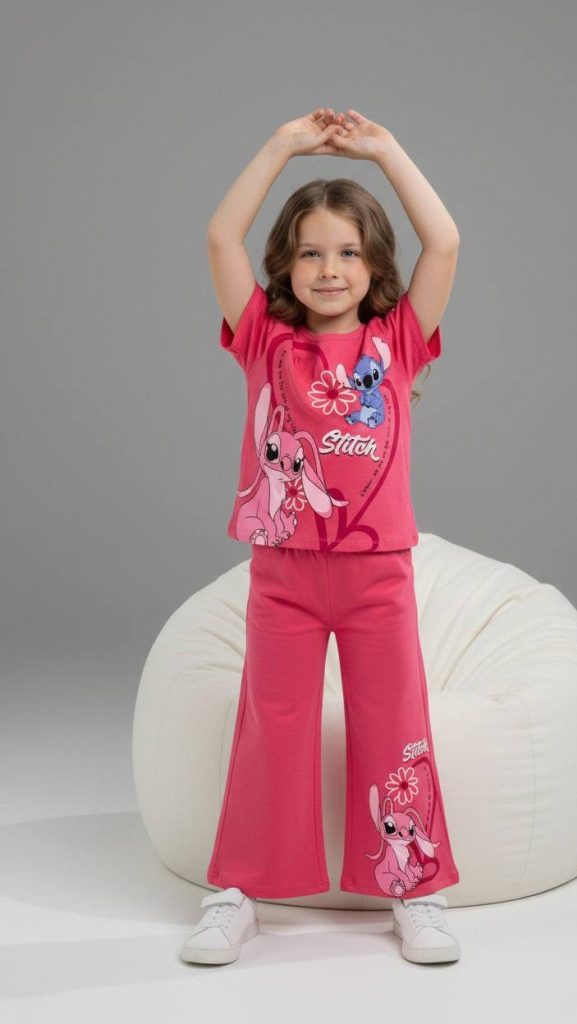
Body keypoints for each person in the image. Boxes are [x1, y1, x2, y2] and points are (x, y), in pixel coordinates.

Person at [181, 108, 462, 967]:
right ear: (285, 265)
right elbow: (219, 235)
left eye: (347, 252)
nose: (329, 269)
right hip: (283, 575)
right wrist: (282, 145)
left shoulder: (397, 342)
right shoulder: (262, 340)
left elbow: (445, 241)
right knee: (270, 727)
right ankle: (239, 890)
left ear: (374, 266)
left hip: (378, 575)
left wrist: (384, 151)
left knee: (395, 725)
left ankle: (414, 890)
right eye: (309, 252)